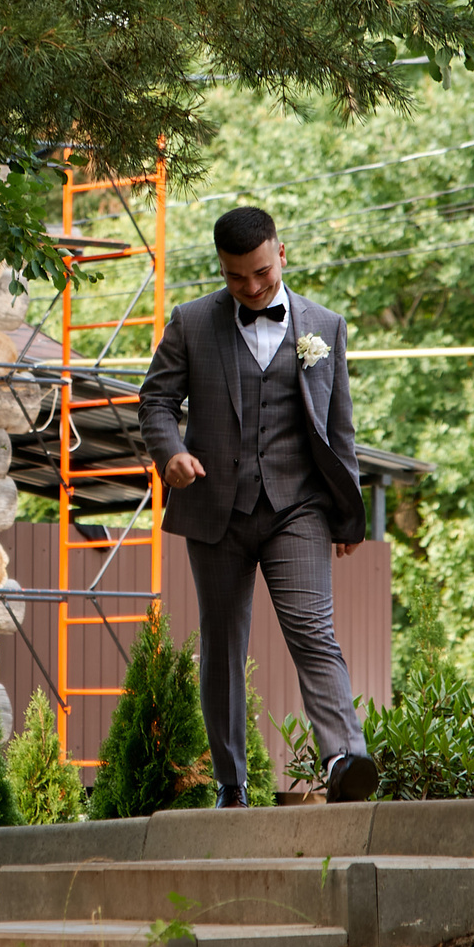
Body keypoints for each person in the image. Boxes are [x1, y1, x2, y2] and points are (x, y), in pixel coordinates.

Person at [139, 206, 379, 805]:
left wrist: (349, 515)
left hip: (298, 507)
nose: (251, 288)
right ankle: (232, 783)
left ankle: (345, 760)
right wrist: (170, 453)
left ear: (281, 254)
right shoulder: (192, 324)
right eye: (236, 277)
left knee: (311, 629)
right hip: (216, 508)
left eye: (262, 274)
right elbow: (156, 403)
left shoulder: (325, 325)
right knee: (222, 643)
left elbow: (339, 429)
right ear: (222, 269)